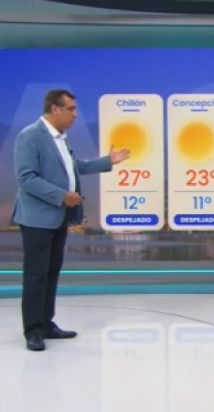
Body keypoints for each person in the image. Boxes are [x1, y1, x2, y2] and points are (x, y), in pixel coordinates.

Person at [12, 89, 130, 351]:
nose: (75, 115)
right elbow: (26, 178)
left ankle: (46, 323)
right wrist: (62, 196)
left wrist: (107, 161)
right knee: (36, 275)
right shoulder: (30, 136)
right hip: (36, 219)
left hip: (58, 217)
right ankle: (33, 330)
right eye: (71, 109)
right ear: (54, 108)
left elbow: (75, 167)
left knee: (51, 272)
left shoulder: (61, 139)